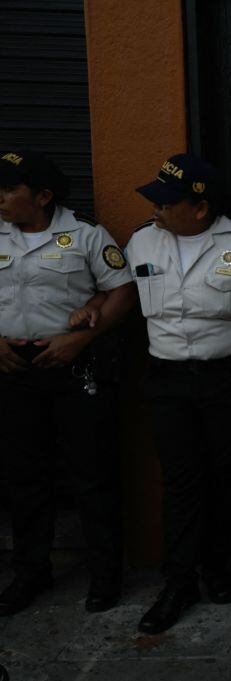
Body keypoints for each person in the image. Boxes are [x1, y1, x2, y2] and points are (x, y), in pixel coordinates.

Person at [127, 153, 231, 634]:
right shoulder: (141, 241)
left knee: (224, 476)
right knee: (180, 481)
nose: (156, 209)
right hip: (168, 377)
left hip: (227, 378)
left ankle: (216, 567)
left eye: (166, 202)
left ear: (199, 207)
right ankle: (178, 581)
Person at [0, 150, 136, 616]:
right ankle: (30, 572)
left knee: (92, 475)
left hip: (74, 364)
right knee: (24, 478)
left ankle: (105, 575)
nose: (0, 198)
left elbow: (122, 290)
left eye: (9, 190)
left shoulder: (85, 234)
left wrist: (84, 339)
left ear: (42, 196)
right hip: (13, 369)